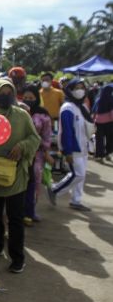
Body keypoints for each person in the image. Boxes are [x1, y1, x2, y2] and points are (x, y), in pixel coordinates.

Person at [0, 79, 40, 273]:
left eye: (9, 92)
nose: (6, 96)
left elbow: (35, 138)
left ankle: (17, 257)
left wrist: (22, 147)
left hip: (16, 173)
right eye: (1, 92)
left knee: (15, 217)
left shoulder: (22, 116)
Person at [49, 79, 94, 211]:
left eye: (82, 87)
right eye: (77, 88)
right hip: (73, 148)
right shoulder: (67, 108)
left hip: (83, 147)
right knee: (78, 174)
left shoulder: (82, 107)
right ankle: (55, 189)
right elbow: (66, 132)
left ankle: (76, 200)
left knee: (82, 176)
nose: (80, 90)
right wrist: (67, 151)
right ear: (70, 90)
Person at [21, 85, 54, 225]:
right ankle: (20, 211)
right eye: (26, 98)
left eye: (31, 98)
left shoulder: (43, 114)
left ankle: (30, 211)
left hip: (38, 154)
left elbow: (47, 135)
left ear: (36, 98)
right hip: (21, 152)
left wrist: (46, 152)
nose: (28, 100)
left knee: (35, 182)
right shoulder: (19, 111)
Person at [94, 83, 113, 161]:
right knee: (110, 139)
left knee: (100, 140)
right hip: (109, 122)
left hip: (99, 122)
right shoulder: (111, 99)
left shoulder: (98, 99)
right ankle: (108, 154)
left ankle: (100, 156)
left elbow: (94, 109)